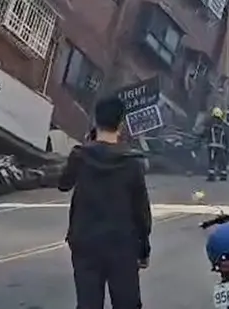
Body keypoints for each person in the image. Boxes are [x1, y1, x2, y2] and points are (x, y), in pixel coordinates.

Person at [58, 96, 152, 309]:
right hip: (122, 245)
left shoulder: (80, 155)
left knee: (88, 304)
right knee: (127, 303)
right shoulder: (132, 163)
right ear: (121, 123)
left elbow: (63, 184)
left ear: (95, 121)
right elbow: (141, 212)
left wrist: (86, 144)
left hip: (85, 242)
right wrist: (143, 249)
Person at [204, 107, 229, 182]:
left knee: (212, 161)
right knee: (222, 161)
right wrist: (227, 147)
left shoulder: (210, 126)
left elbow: (206, 135)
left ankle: (211, 176)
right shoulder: (224, 126)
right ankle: (223, 176)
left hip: (212, 146)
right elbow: (227, 137)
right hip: (221, 147)